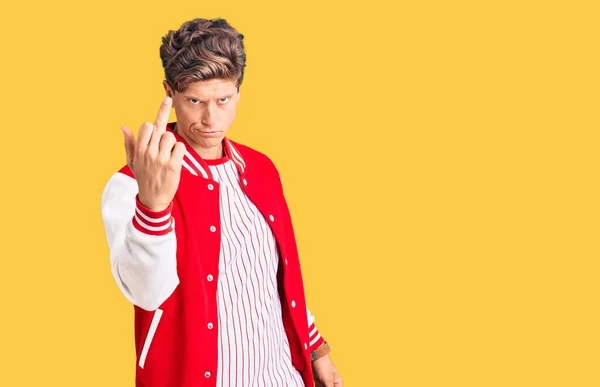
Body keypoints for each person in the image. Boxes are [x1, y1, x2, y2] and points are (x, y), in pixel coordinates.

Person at [100, 18, 343, 387]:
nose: (210, 119)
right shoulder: (131, 182)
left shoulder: (261, 169)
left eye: (223, 100)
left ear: (238, 92)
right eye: (194, 100)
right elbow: (146, 293)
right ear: (169, 92)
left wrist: (315, 348)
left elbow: (274, 277)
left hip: (282, 376)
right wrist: (153, 206)